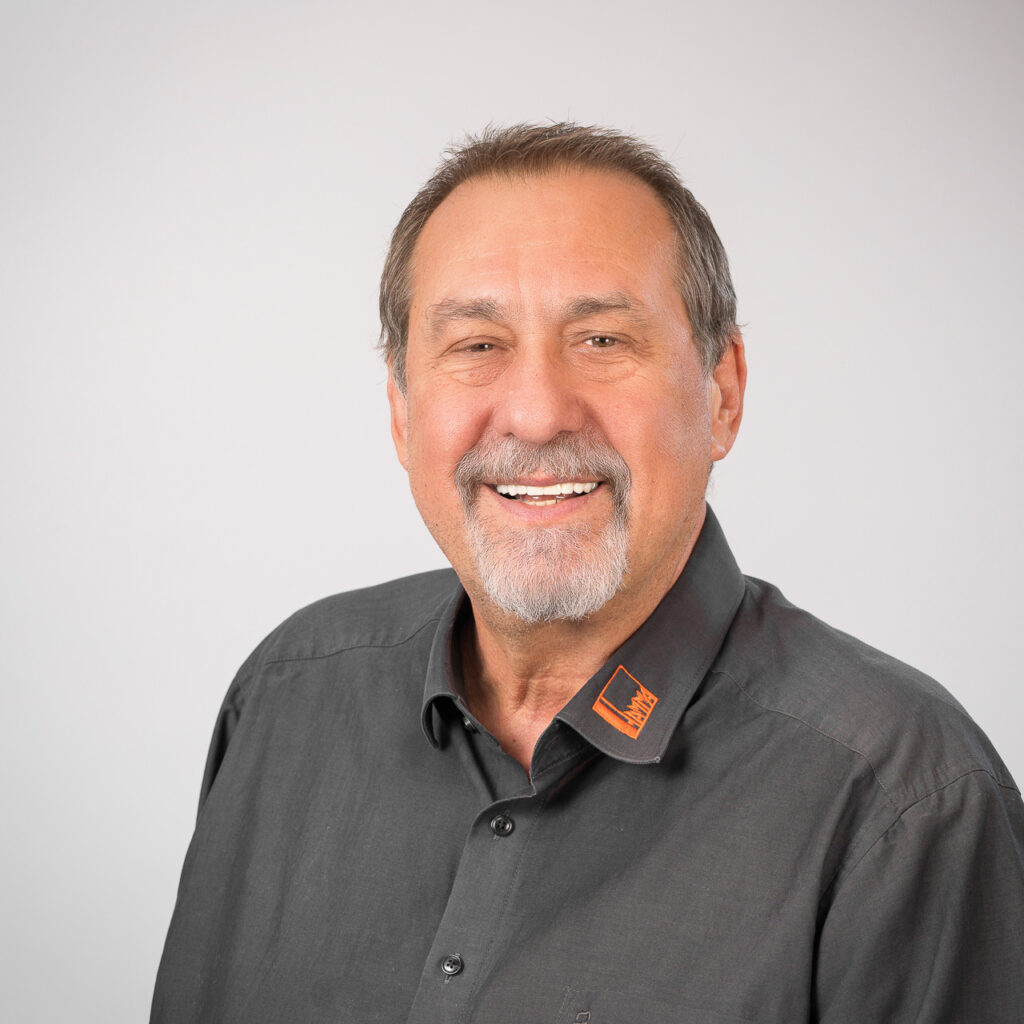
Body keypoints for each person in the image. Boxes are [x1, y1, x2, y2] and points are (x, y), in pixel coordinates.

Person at [151, 124, 1024, 1023]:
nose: (536, 415)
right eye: (476, 345)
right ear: (402, 412)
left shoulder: (903, 801)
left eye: (602, 339)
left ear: (722, 394)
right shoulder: (287, 699)